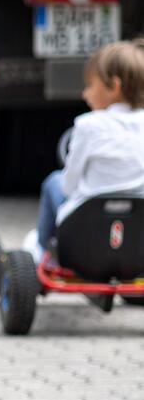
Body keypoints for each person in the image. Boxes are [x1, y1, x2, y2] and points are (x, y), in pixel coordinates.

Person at [30, 40, 144, 260]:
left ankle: (41, 252)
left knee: (53, 181)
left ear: (114, 86)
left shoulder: (87, 125)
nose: (85, 94)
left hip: (86, 235)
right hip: (136, 238)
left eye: (90, 86)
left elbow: (68, 186)